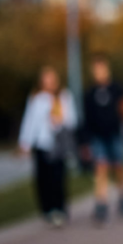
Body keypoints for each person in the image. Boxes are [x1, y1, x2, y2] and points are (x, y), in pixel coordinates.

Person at [17, 66, 77, 228]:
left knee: (58, 178)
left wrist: (60, 120)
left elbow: (72, 120)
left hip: (58, 145)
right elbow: (29, 121)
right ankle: (47, 210)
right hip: (42, 144)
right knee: (43, 179)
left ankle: (60, 209)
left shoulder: (64, 97)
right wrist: (25, 143)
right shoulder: (36, 98)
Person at [81, 56, 123, 225]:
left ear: (107, 69)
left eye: (101, 68)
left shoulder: (118, 89)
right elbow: (86, 119)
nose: (99, 72)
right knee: (101, 168)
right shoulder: (89, 94)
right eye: (96, 69)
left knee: (119, 167)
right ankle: (101, 203)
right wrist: (84, 142)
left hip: (116, 134)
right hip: (98, 136)